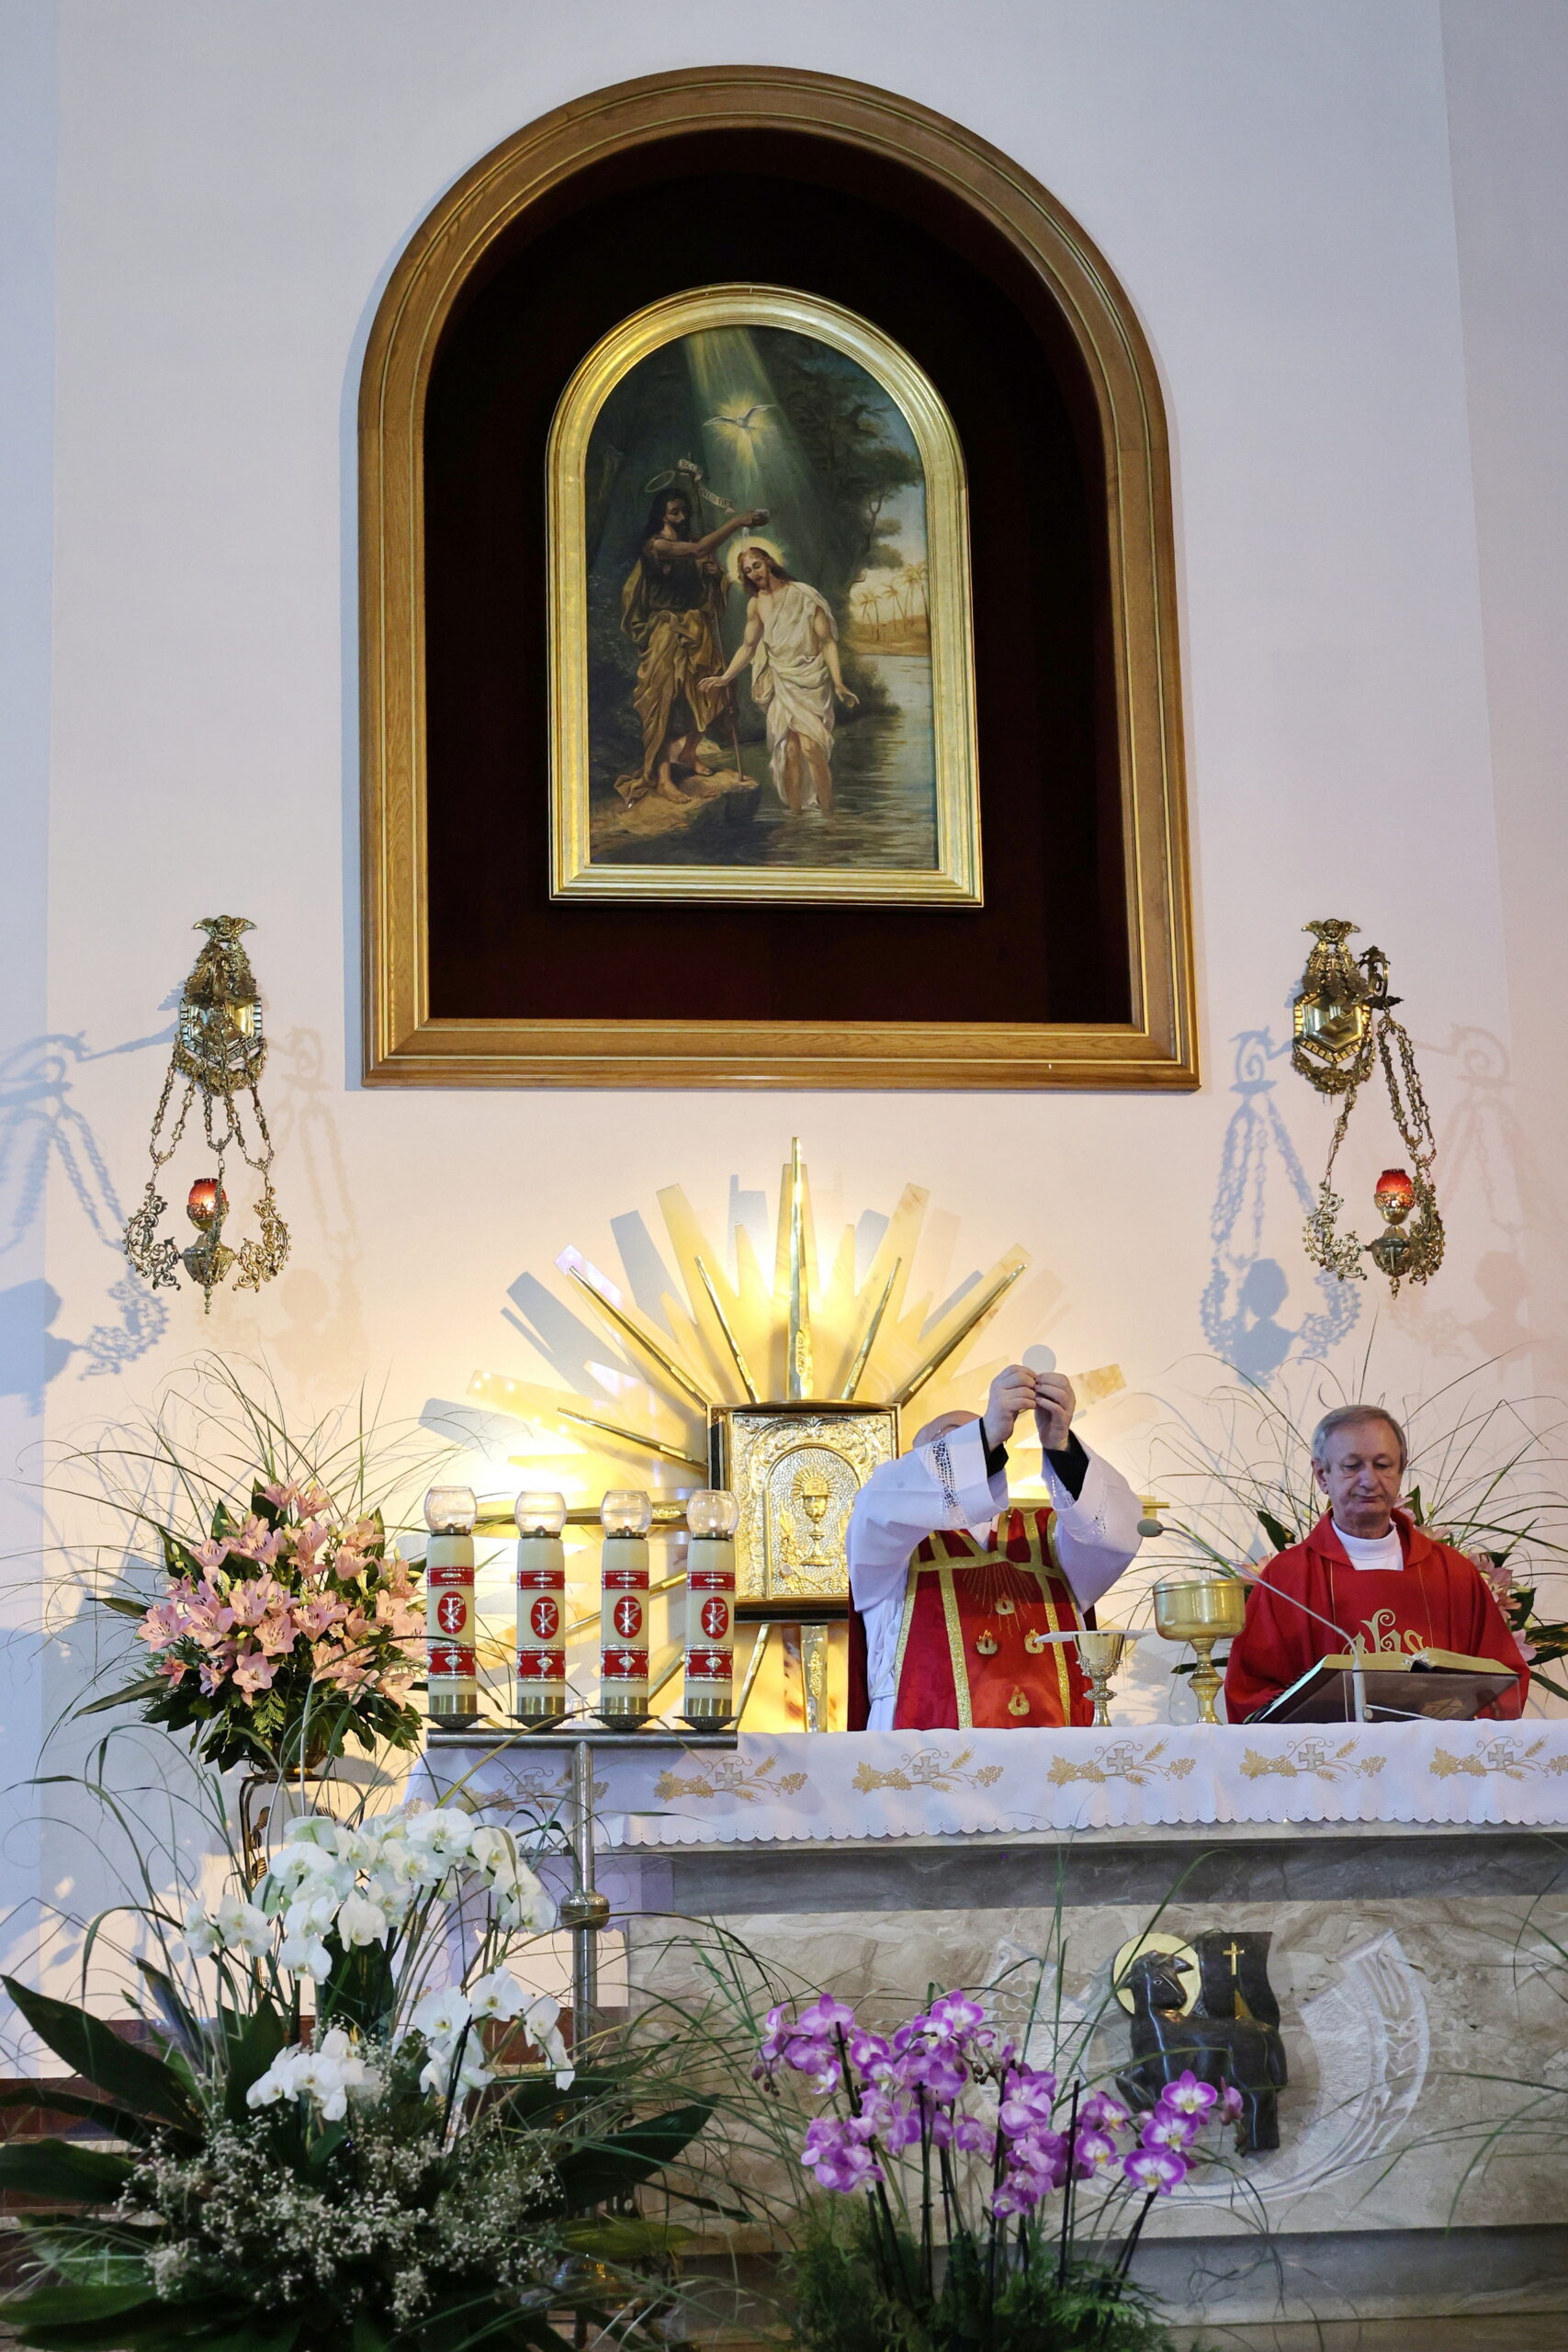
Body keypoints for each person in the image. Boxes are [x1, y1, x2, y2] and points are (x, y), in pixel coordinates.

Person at [845, 1364, 1145, 1730]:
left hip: (1051, 1747)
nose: (973, 1448)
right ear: (915, 1466)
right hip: (928, 1751)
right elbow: (878, 1507)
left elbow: (1115, 1534)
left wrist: (1061, 1445)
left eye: (984, 1440)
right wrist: (986, 1431)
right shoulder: (892, 1549)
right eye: (951, 1442)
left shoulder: (1048, 1536)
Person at [1224, 1404, 1529, 1722]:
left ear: (1400, 1471)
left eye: (1383, 1465)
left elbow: (1503, 1680)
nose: (1370, 1480)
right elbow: (1252, 1693)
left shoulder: (1452, 1572)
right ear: (1322, 1475)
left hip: (1437, 1752)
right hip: (1333, 1753)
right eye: (1352, 1466)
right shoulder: (1287, 1578)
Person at [615, 490, 768, 808]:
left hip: (697, 628)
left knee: (716, 691)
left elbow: (705, 580)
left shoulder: (693, 542)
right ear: (662, 514)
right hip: (666, 629)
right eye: (675, 512)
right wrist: (737, 521)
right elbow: (698, 550)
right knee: (665, 701)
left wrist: (713, 577)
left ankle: (688, 752)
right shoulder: (657, 545)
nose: (682, 517)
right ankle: (664, 779)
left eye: (684, 511)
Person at [700, 544, 857, 813]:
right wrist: (725, 677)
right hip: (781, 679)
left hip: (810, 678)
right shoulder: (755, 604)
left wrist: (839, 681)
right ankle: (795, 815)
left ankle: (830, 815)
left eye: (757, 566)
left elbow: (827, 641)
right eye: (747, 571)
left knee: (811, 748)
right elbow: (748, 647)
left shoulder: (804, 595)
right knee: (789, 752)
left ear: (769, 562)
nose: (754, 573)